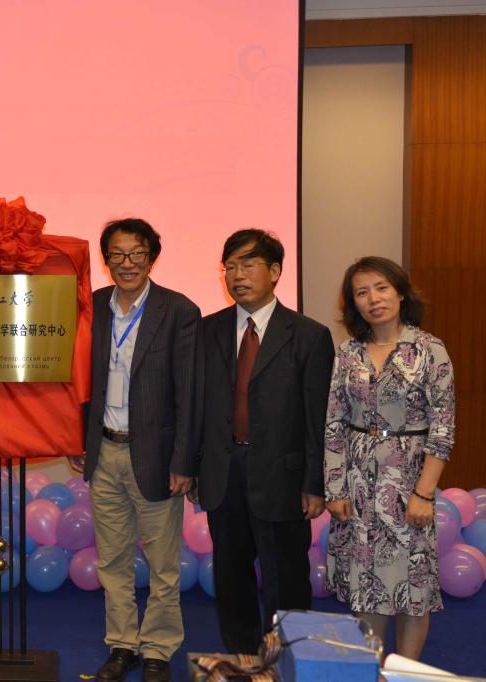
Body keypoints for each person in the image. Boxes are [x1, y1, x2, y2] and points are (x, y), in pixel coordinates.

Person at [195, 229, 334, 654]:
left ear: (274, 271)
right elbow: (197, 406)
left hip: (283, 476)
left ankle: (286, 659)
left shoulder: (309, 335)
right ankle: (240, 656)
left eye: (248, 265)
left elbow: (318, 418)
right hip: (223, 473)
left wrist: (315, 483)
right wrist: (195, 467)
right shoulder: (207, 330)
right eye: (230, 267)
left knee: (285, 578)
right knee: (230, 574)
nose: (237, 275)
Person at [79, 218, 200, 682]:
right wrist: (77, 438)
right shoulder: (92, 307)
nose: (127, 263)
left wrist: (184, 460)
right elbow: (78, 380)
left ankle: (158, 650)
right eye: (117, 254)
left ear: (152, 257)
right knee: (112, 561)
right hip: (105, 451)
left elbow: (189, 393)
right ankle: (122, 645)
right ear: (105, 259)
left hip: (157, 457)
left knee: (163, 565)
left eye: (137, 254)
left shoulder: (178, 310)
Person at [324, 256, 454, 660]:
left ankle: (403, 672)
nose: (373, 299)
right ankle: (373, 666)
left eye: (381, 288)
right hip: (358, 484)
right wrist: (334, 487)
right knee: (366, 585)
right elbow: (334, 423)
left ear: (400, 293)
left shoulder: (429, 349)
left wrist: (424, 493)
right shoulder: (347, 353)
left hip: (410, 480)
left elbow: (443, 428)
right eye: (362, 292)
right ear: (354, 304)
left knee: (413, 586)